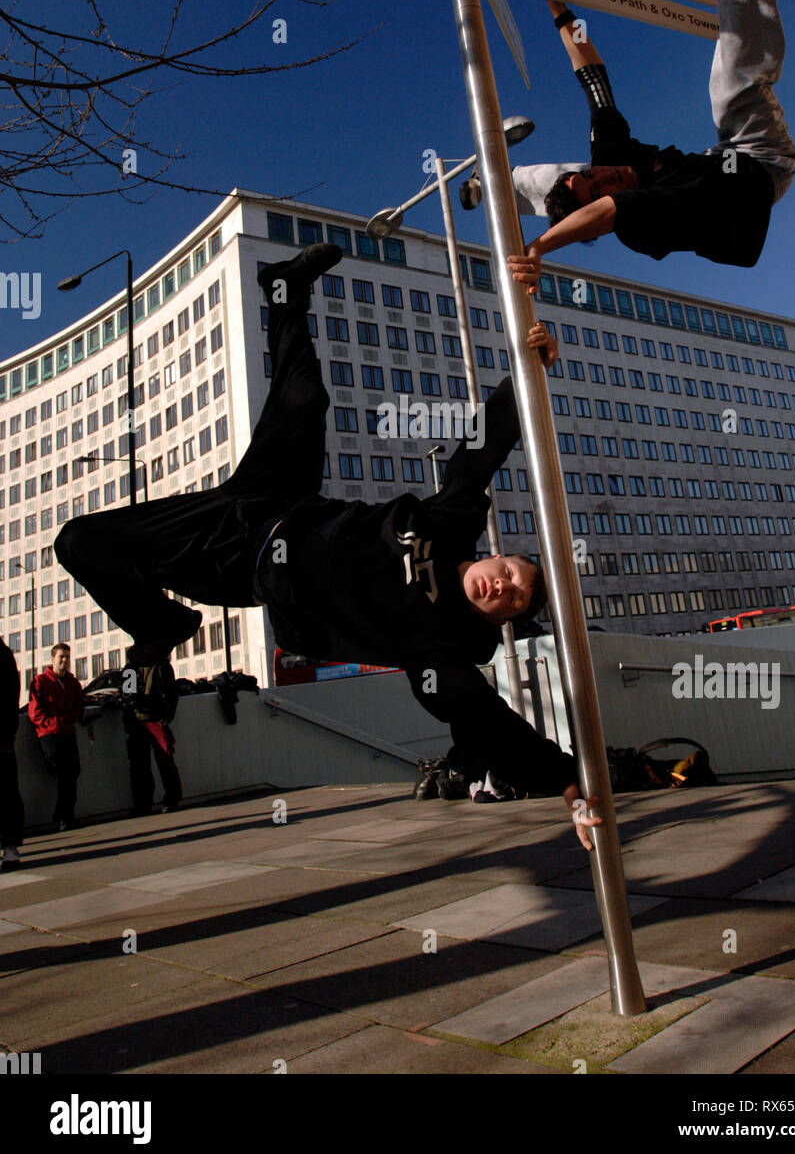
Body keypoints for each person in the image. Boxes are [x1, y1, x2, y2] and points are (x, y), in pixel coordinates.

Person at [53, 245, 601, 849]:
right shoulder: (451, 522)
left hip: (236, 564)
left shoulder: (436, 644)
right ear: (498, 556)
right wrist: (530, 370)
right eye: (511, 574)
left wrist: (569, 783)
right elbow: (483, 452)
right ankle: (284, 285)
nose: (503, 587)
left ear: (500, 618)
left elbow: (475, 712)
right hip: (273, 497)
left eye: (513, 603)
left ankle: (157, 628)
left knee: (80, 541)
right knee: (303, 397)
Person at [503, 0, 795, 291]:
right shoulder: (639, 228)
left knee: (572, 166)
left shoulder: (611, 159)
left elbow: (593, 79)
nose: (609, 175)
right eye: (600, 187)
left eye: (595, 175)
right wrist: (539, 248)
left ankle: (495, 181)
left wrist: (557, 4)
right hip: (762, 169)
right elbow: (607, 211)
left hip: (724, 155)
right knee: (731, 87)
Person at [28, 643, 84, 831]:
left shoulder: (73, 683)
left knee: (72, 772)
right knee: (62, 773)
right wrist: (53, 724)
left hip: (67, 732)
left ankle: (64, 816)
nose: (64, 660)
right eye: (61, 657)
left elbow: (78, 707)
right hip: (50, 735)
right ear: (53, 659)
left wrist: (68, 721)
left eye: (67, 657)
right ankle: (63, 817)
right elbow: (35, 712)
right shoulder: (41, 681)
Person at [121, 655, 183, 817]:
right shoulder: (135, 667)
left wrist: (166, 717)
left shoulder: (153, 666)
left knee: (160, 761)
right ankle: (148, 803)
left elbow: (170, 694)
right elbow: (128, 697)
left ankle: (162, 801)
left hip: (153, 721)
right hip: (141, 722)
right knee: (143, 765)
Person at [0, 635, 25, 870]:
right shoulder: (4, 655)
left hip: (1, 738)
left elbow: (10, 696)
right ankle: (9, 847)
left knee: (7, 795)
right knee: (8, 794)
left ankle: (9, 846)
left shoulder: (3, 656)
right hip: (3, 738)